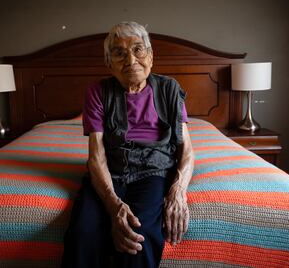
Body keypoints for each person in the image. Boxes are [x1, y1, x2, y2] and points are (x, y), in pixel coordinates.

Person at [61, 21, 194, 268]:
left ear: (151, 57)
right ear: (109, 64)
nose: (131, 60)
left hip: (153, 172)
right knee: (83, 233)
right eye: (119, 53)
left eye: (138, 49)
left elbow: (186, 149)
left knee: (139, 238)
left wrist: (178, 190)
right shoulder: (98, 92)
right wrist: (114, 207)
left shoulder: (169, 89)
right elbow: (96, 156)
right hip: (110, 170)